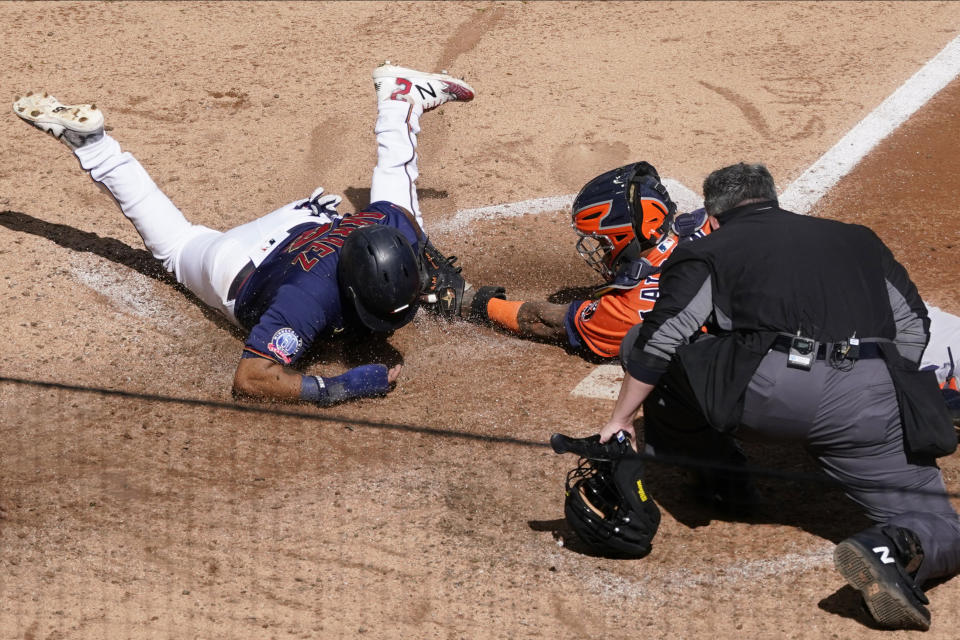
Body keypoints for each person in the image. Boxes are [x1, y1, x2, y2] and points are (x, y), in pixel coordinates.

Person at [595, 162, 960, 630]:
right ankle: (893, 549)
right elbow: (912, 327)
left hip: (772, 395)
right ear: (773, 198)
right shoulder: (858, 238)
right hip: (869, 401)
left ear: (715, 213)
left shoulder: (709, 248)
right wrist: (884, 392)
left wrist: (621, 417)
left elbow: (663, 337)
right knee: (942, 523)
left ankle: (722, 482)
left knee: (642, 345)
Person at [13, 63, 475, 407]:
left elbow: (402, 214)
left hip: (302, 223)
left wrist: (427, 260)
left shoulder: (392, 226)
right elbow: (251, 376)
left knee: (395, 189)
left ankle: (398, 95)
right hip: (234, 265)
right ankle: (95, 147)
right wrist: (339, 386)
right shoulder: (304, 304)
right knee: (175, 246)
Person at [461, 162, 712, 357]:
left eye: (605, 242)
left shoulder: (626, 309)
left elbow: (544, 320)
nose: (603, 252)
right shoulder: (712, 223)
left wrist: (478, 303)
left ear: (629, 236)